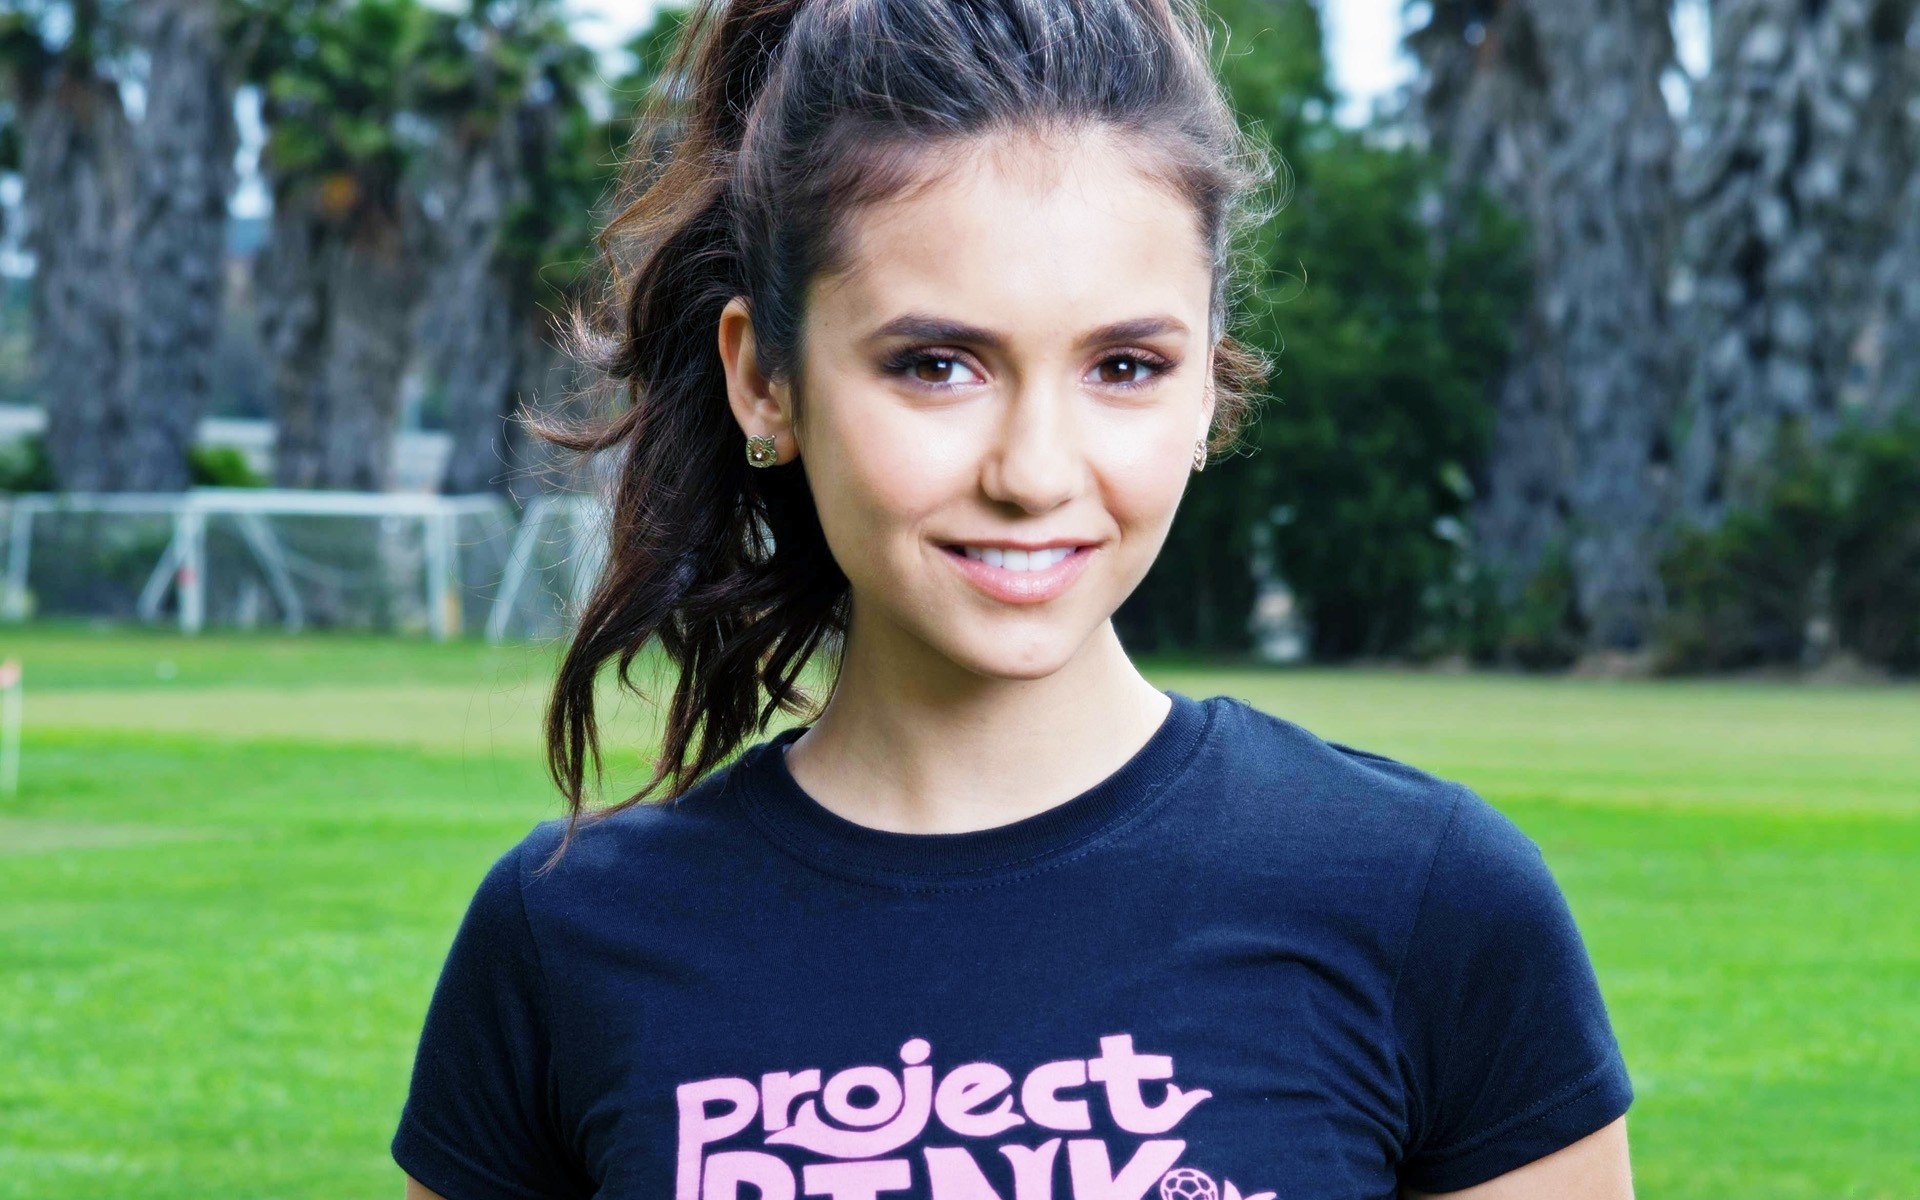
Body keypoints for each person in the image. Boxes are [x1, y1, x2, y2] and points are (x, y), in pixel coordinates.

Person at [390, 0, 1636, 1196]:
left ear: (1208, 383)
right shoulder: (566, 941)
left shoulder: (1428, 899)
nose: (1034, 474)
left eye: (1125, 366)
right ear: (765, 380)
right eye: (937, 365)